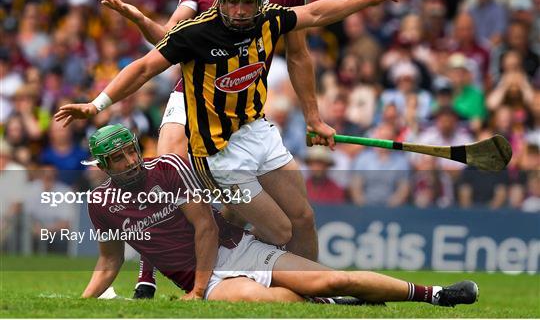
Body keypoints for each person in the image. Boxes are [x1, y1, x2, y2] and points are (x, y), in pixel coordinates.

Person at [55, 0, 406, 289]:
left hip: (258, 131)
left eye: (247, 3)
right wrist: (97, 103)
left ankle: (315, 294)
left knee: (303, 219)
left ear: (259, 1)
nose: (239, 11)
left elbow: (315, 12)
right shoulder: (196, 33)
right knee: (281, 230)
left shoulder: (269, 19)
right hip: (218, 151)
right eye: (231, 2)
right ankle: (235, 259)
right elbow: (145, 67)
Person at [101, 0, 335, 296]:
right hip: (190, 93)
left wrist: (313, 116)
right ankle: (148, 270)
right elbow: (167, 39)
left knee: (274, 216)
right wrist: (140, 19)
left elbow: (298, 55)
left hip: (244, 108)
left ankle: (305, 283)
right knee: (169, 161)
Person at [82, 124, 479, 308]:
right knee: (268, 303)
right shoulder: (101, 203)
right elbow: (110, 259)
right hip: (208, 277)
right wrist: (83, 303)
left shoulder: (166, 168)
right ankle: (331, 304)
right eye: (119, 158)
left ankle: (436, 295)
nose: (131, 161)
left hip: (236, 251)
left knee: (333, 278)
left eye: (132, 150)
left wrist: (198, 292)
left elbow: (204, 227)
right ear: (104, 164)